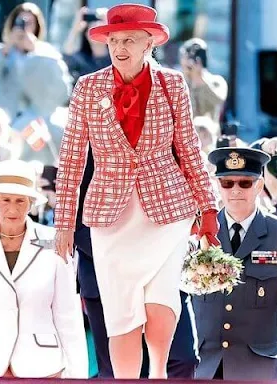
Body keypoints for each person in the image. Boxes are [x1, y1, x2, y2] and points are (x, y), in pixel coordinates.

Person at [54, 4, 219, 379]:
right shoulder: (87, 87)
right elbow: (72, 158)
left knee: (162, 302)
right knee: (121, 314)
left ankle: (158, 374)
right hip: (110, 217)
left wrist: (207, 209)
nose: (120, 47)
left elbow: (189, 148)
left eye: (129, 39)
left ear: (149, 44)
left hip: (168, 210)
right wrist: (63, 222)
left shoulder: (172, 84)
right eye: (114, 40)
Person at [0, 160, 88, 378]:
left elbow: (68, 312)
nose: (12, 208)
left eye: (20, 200)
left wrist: (77, 375)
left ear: (31, 203)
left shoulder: (55, 242)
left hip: (42, 366)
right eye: (5, 200)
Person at [75, 151, 199, 379]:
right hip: (108, 274)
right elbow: (74, 215)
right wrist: (119, 256)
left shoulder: (168, 127)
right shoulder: (93, 137)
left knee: (182, 359)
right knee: (119, 372)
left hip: (161, 263)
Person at [193, 147, 277, 381]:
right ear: (218, 185)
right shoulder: (198, 232)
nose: (235, 190)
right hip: (207, 366)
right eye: (227, 183)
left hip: (260, 369)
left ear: (259, 186)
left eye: (245, 183)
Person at [178, 38, 228, 122]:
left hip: (209, 133)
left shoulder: (216, 81)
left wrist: (199, 76)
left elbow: (217, 101)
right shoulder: (180, 83)